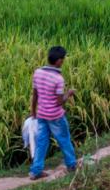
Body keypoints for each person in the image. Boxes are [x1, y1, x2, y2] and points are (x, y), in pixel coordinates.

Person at [29, 46, 77, 180]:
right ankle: (71, 165)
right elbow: (59, 102)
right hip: (55, 117)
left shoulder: (37, 73)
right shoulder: (58, 79)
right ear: (58, 61)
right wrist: (69, 93)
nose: (63, 62)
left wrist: (33, 112)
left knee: (41, 143)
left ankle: (36, 171)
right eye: (63, 59)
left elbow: (35, 95)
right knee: (64, 140)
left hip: (41, 115)